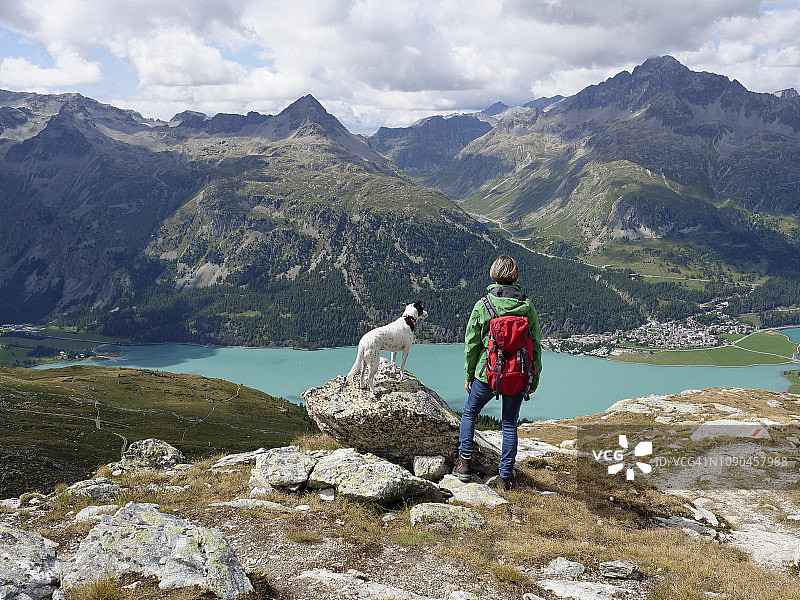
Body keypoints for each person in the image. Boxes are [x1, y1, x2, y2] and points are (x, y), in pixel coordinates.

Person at [454, 254, 542, 491]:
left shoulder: (483, 305)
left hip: (488, 374)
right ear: (515, 277)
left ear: (493, 274)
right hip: (517, 375)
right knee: (509, 424)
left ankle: (464, 464)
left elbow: (472, 345)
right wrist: (534, 377)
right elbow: (536, 346)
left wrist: (469, 374)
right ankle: (505, 478)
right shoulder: (527, 306)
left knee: (470, 412)